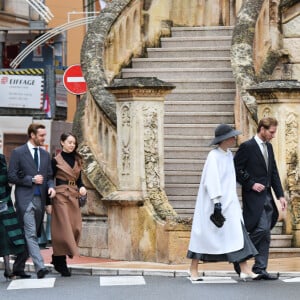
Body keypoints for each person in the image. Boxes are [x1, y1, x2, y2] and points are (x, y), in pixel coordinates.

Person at [187, 124, 260, 281]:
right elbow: (211, 180)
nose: (235, 138)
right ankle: (193, 269)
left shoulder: (228, 155)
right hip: (215, 203)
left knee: (238, 234)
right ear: (225, 139)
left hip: (230, 203)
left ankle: (244, 268)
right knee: (204, 237)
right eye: (232, 136)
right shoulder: (213, 156)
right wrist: (217, 203)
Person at [234, 117, 287, 280]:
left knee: (266, 234)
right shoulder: (247, 147)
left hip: (268, 197)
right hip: (253, 197)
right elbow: (236, 168)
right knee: (262, 230)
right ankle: (240, 255)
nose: (273, 135)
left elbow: (273, 173)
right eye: (271, 132)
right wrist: (251, 184)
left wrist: (280, 195)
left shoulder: (269, 147)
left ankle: (260, 268)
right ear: (262, 129)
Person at [8, 123, 56, 279]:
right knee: (31, 234)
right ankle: (40, 267)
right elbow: (12, 176)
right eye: (41, 135)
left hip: (40, 200)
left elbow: (49, 177)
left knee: (29, 234)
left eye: (44, 135)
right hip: (25, 200)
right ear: (32, 135)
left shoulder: (45, 155)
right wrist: (31, 179)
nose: (43, 138)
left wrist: (51, 187)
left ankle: (18, 268)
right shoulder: (18, 153)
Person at [48, 133, 87, 277]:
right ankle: (60, 262)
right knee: (63, 230)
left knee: (75, 227)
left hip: (74, 195)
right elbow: (49, 179)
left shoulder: (77, 159)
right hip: (60, 195)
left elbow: (80, 180)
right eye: (69, 142)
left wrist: (82, 187)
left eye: (74, 143)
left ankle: (56, 258)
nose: (72, 145)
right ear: (62, 143)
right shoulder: (56, 160)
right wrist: (49, 201)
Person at [0, 153, 26, 280]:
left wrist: (14, 178)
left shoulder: (1, 158)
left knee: (5, 236)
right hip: (3, 202)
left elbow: (7, 180)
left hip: (4, 203)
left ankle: (8, 269)